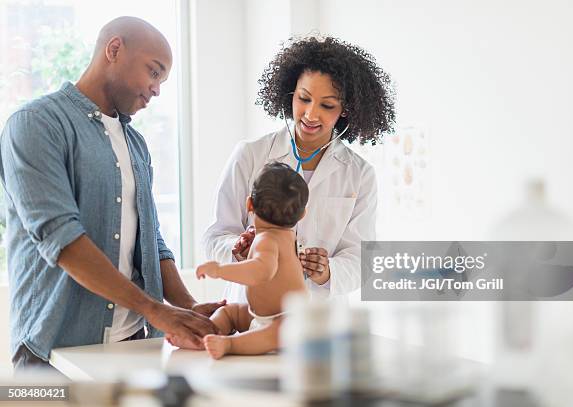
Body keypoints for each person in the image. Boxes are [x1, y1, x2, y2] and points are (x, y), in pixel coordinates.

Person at [0, 16, 222, 370]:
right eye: (154, 72)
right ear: (114, 49)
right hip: (53, 354)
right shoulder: (35, 124)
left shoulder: (136, 144)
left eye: (163, 81)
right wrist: (154, 308)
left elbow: (152, 243)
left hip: (135, 349)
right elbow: (61, 238)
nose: (157, 89)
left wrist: (188, 307)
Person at [203, 36, 396, 303]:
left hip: (317, 319)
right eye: (304, 99)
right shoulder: (250, 155)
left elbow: (360, 258)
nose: (310, 114)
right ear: (290, 93)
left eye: (327, 105)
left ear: (345, 110)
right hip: (249, 312)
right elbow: (216, 235)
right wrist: (237, 250)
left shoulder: (359, 174)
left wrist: (328, 271)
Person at [168, 162, 308, 358]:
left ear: (249, 204)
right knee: (230, 312)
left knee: (274, 334)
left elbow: (261, 271)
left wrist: (219, 270)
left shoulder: (266, 239)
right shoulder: (287, 236)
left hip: (286, 321)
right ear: (302, 214)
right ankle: (204, 336)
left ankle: (228, 344)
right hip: (261, 315)